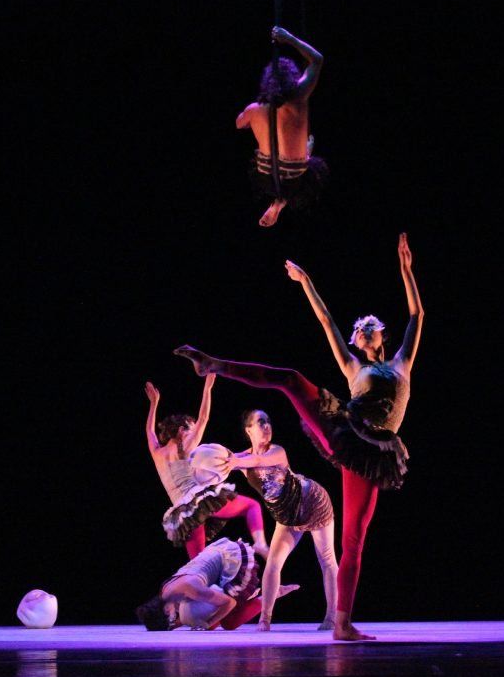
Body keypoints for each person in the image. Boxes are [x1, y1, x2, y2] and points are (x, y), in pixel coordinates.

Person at [175, 232, 421, 640]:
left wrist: (406, 271)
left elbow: (417, 314)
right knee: (290, 379)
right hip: (344, 429)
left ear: (382, 336)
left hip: (373, 453)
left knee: (353, 541)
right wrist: (307, 282)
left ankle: (342, 624)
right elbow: (326, 321)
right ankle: (214, 364)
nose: (362, 330)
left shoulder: (402, 364)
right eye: (359, 329)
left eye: (369, 328)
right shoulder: (353, 367)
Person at [228, 409, 337, 630]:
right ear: (248, 430)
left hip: (312, 502)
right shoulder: (242, 458)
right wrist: (205, 458)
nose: (267, 426)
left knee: (326, 559)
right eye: (260, 422)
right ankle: (265, 619)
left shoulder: (277, 451)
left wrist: (233, 461)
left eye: (268, 421)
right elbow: (223, 457)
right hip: (287, 516)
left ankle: (332, 617)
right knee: (273, 564)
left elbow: (257, 460)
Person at [145, 378, 268, 558]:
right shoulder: (183, 446)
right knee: (252, 506)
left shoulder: (157, 453)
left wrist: (153, 404)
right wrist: (208, 387)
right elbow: (203, 419)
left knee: (199, 564)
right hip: (200, 500)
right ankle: (260, 544)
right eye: (191, 428)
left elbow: (150, 432)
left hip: (183, 514)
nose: (194, 433)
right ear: (181, 430)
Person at [235, 26, 327, 227]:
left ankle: (277, 202)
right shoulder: (299, 97)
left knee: (282, 158)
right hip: (294, 178)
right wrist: (288, 38)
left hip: (265, 178)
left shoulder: (254, 108)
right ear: (292, 79)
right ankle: (280, 202)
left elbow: (239, 124)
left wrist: (254, 120)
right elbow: (317, 60)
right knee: (308, 160)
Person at [135, 538, 298, 631]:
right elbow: (184, 618)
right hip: (214, 560)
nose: (174, 620)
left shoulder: (191, 589)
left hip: (232, 561)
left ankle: (272, 594)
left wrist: (207, 625)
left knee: (229, 623)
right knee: (200, 618)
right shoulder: (166, 591)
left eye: (171, 620)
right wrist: (173, 626)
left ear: (165, 610)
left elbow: (229, 603)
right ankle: (256, 595)